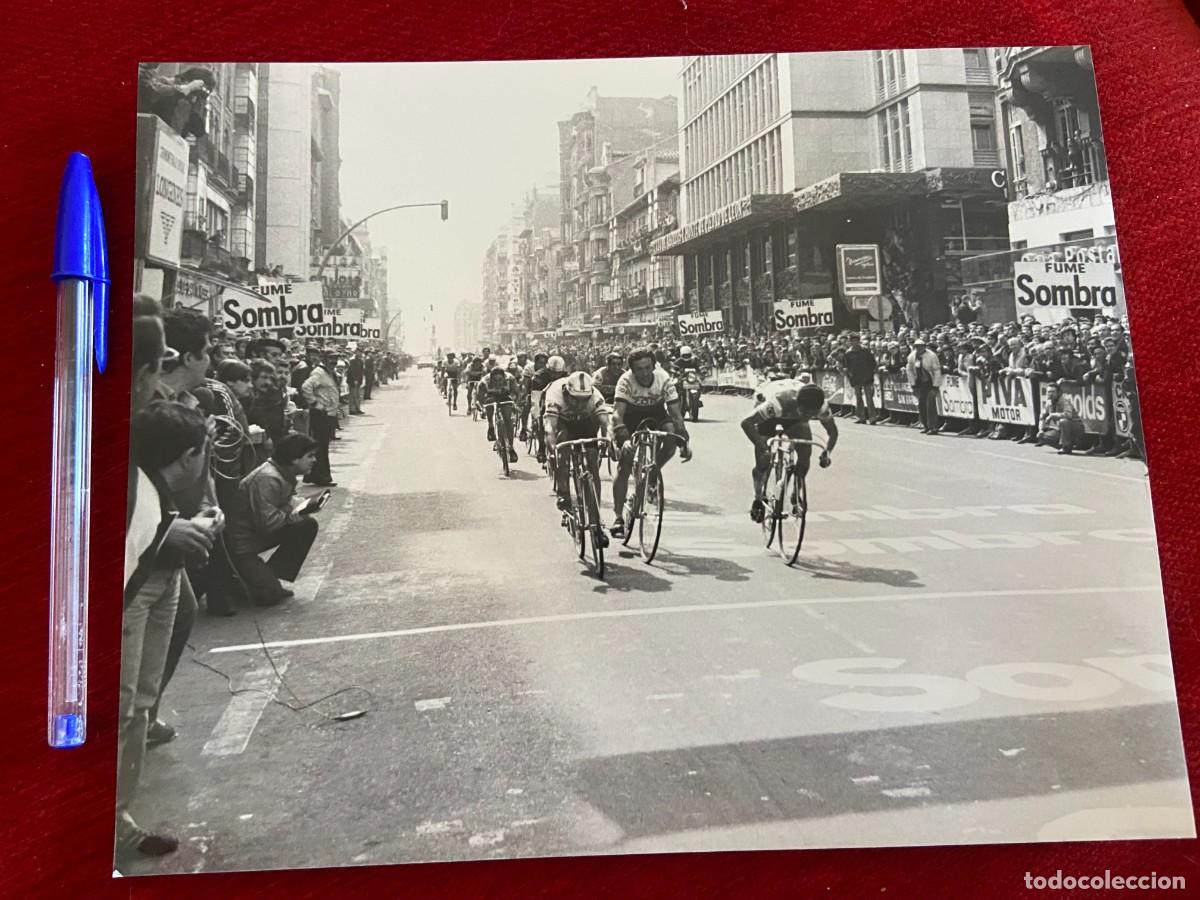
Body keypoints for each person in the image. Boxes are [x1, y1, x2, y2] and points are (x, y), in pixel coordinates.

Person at [118, 401, 213, 860]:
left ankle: (120, 819)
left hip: (165, 579)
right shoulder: (138, 500)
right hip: (133, 592)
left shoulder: (159, 488)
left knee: (140, 702)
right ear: (188, 456)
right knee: (119, 708)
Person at [226, 434, 323, 606]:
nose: (314, 460)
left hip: (254, 535)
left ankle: (269, 576)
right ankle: (240, 582)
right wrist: (290, 515)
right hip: (241, 543)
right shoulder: (268, 478)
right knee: (267, 597)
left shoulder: (282, 472)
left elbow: (287, 500)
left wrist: (303, 506)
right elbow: (268, 523)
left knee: (307, 525)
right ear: (294, 459)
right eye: (310, 456)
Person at [610, 348, 692, 538]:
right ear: (631, 370)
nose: (645, 373)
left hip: (655, 413)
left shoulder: (664, 379)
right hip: (630, 416)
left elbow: (676, 415)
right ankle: (618, 517)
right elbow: (617, 414)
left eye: (648, 368)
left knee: (671, 435)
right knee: (625, 463)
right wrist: (624, 440)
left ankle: (653, 471)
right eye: (639, 369)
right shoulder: (625, 381)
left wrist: (684, 443)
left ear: (654, 366)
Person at [741, 379, 837, 523]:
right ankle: (758, 498)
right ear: (798, 405)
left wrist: (827, 452)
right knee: (763, 462)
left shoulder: (821, 406)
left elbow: (833, 432)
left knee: (805, 454)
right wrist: (764, 448)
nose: (807, 417)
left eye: (811, 415)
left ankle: (796, 493)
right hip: (771, 417)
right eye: (805, 412)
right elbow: (746, 423)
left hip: (794, 420)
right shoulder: (778, 403)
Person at [544, 371, 612, 541]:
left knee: (592, 464)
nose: (580, 403)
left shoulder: (595, 396)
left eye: (584, 400)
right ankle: (564, 494)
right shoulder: (555, 395)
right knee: (563, 447)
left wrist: (609, 440)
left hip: (585, 423)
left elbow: (606, 424)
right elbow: (549, 428)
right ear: (567, 392)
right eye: (576, 399)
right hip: (563, 422)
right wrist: (553, 449)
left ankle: (596, 524)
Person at [301, 350, 340, 487]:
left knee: (321, 446)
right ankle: (322, 477)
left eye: (336, 358)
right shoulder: (319, 372)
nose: (334, 361)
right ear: (324, 358)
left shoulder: (329, 373)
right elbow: (306, 387)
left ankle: (314, 475)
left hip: (329, 414)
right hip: (321, 414)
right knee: (321, 446)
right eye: (331, 358)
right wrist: (315, 403)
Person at [477, 365, 520, 463]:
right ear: (491, 378)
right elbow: (479, 398)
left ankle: (511, 447)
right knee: (489, 404)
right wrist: (481, 409)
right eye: (495, 380)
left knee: (508, 419)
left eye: (500, 380)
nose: (497, 382)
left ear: (504, 377)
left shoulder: (510, 379)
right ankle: (491, 426)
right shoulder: (484, 382)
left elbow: (518, 393)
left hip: (506, 397)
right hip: (491, 397)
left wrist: (516, 404)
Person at [906, 338, 943, 435]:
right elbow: (909, 370)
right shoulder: (912, 356)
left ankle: (933, 427)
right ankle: (925, 425)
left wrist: (935, 385)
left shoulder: (931, 356)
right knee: (921, 405)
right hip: (919, 383)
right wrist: (913, 384)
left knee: (930, 405)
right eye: (917, 347)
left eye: (921, 346)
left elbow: (936, 370)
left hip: (929, 383)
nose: (919, 349)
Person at [842, 333, 878, 425]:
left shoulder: (865, 350)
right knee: (858, 397)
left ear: (858, 341)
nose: (854, 342)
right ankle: (861, 417)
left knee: (869, 397)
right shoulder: (848, 353)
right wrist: (850, 375)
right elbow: (846, 366)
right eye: (852, 340)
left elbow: (872, 362)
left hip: (867, 376)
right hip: (856, 377)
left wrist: (870, 373)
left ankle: (872, 417)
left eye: (856, 340)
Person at [1037, 383, 1083, 454]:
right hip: (1060, 429)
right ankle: (1067, 445)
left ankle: (1065, 447)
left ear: (1058, 393)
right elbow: (1042, 417)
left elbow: (1068, 415)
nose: (1050, 394)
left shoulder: (1064, 401)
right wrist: (1041, 430)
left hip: (1075, 427)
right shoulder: (1048, 403)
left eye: (1053, 392)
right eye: (1049, 392)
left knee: (1063, 421)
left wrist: (1052, 415)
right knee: (1040, 436)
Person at [346, 350, 365, 415]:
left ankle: (358, 409)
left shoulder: (360, 361)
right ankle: (352, 410)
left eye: (360, 352)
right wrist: (355, 379)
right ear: (355, 353)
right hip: (353, 380)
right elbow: (352, 371)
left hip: (358, 380)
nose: (359, 353)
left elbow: (361, 371)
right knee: (352, 395)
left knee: (357, 395)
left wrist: (360, 380)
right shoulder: (352, 360)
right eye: (358, 352)